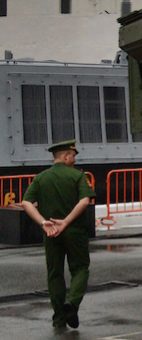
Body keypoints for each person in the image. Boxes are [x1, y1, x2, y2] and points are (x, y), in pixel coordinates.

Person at [18, 140, 94, 329]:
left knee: (55, 274)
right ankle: (72, 302)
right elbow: (84, 201)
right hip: (74, 231)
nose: (74, 160)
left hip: (50, 232)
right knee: (80, 269)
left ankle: (59, 318)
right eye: (73, 156)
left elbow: (26, 203)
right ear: (66, 156)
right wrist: (66, 221)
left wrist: (44, 222)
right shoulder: (78, 176)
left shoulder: (41, 178)